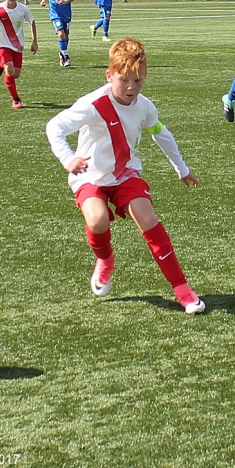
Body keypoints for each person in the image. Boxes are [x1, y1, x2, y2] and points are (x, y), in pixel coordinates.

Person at [45, 37, 205, 315]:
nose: (131, 87)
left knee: (147, 217)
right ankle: (105, 259)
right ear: (109, 76)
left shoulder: (145, 107)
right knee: (97, 220)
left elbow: (161, 135)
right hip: (90, 176)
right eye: (124, 80)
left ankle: (182, 289)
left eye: (138, 80)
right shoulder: (93, 104)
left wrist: (182, 168)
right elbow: (54, 127)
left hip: (125, 174)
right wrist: (69, 159)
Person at [39, 0, 76, 67]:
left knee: (65, 36)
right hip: (54, 13)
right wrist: (43, 0)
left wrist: (64, 1)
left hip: (66, 13)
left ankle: (62, 52)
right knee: (60, 33)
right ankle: (66, 57)